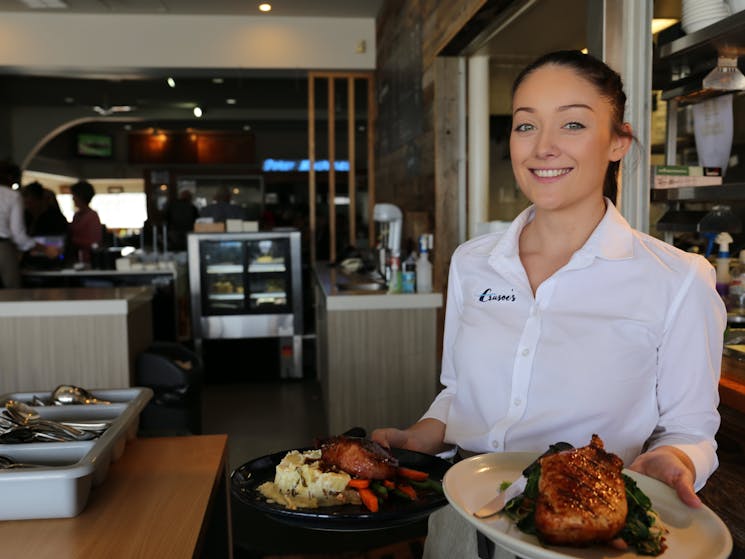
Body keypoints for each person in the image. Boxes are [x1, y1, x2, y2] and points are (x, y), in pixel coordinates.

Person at [371, 50, 726, 559]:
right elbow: (458, 390)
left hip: (582, 535)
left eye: (573, 124)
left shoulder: (678, 279)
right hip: (458, 517)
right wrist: (423, 434)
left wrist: (677, 459)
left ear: (618, 142)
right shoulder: (473, 262)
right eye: (525, 126)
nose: (543, 148)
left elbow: (690, 428)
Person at [0, 163, 52, 287]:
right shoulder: (11, 195)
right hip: (2, 247)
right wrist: (45, 249)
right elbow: (18, 235)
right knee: (12, 294)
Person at [68, 179, 102, 264]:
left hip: (89, 260)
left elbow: (94, 243)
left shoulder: (92, 216)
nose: (73, 198)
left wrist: (73, 241)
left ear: (81, 196)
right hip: (75, 259)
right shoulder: (76, 215)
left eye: (74, 195)